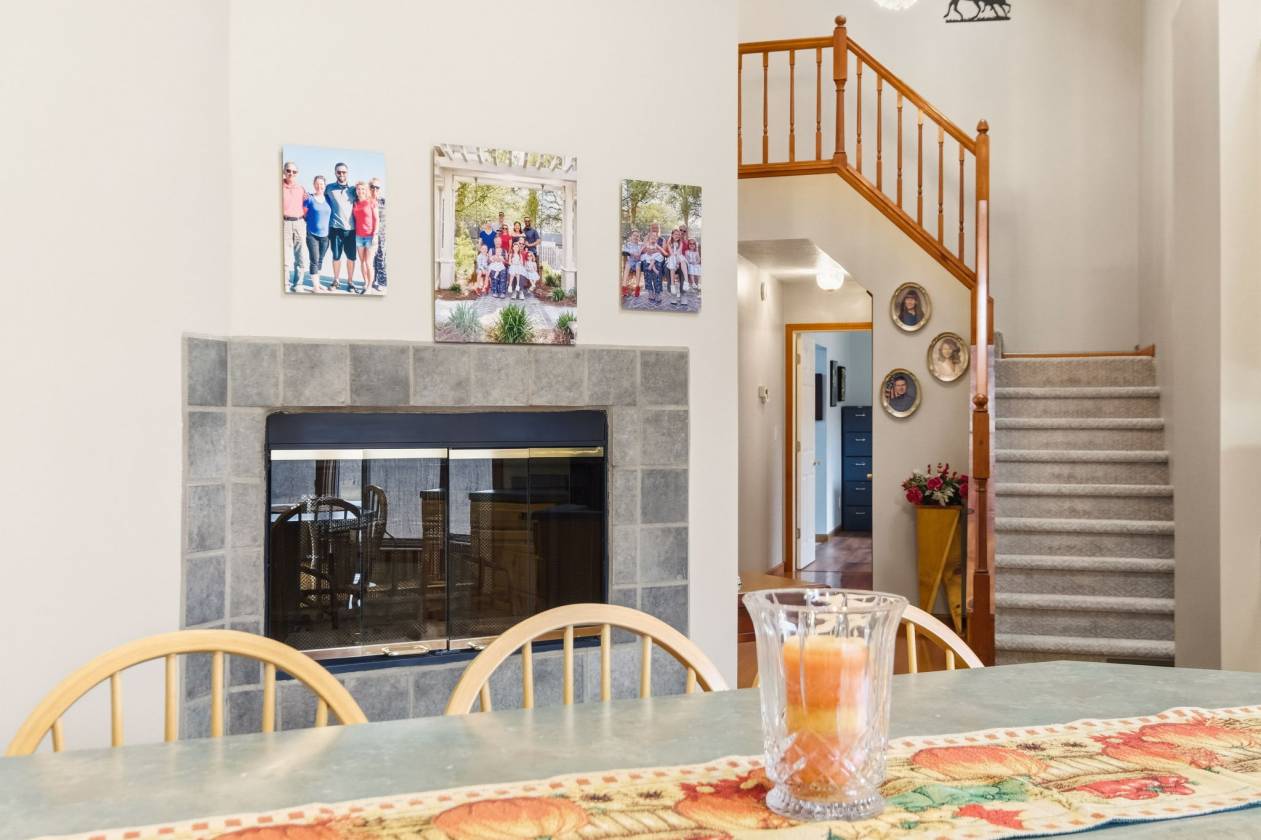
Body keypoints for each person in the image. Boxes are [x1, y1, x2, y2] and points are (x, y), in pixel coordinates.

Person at [326, 162, 357, 292]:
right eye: (339, 172)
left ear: (347, 173)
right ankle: (336, 280)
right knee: (336, 256)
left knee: (351, 257)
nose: (341, 174)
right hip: (335, 229)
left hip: (351, 230)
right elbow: (319, 197)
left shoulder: (353, 190)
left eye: (344, 172)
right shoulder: (329, 188)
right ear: (335, 173)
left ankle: (350, 282)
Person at [281, 161, 309, 292]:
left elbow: (307, 205)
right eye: (288, 170)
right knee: (284, 257)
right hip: (285, 223)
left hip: (299, 223)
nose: (291, 173)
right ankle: (285, 284)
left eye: (294, 171)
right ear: (284, 171)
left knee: (301, 256)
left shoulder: (301, 189)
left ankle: (298, 284)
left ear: (297, 174)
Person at [303, 175, 332, 293]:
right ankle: (315, 287)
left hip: (325, 236)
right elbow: (304, 214)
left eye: (321, 184)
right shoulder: (309, 199)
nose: (319, 186)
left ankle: (318, 283)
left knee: (320, 259)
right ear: (314, 185)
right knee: (314, 260)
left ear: (325, 185)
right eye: (317, 184)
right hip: (312, 234)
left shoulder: (328, 199)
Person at [352, 181, 378, 295]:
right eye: (358, 189)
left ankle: (369, 287)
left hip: (370, 237)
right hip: (359, 236)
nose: (360, 191)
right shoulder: (355, 203)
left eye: (363, 189)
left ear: (366, 190)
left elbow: (377, 219)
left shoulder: (371, 202)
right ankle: (365, 282)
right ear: (356, 190)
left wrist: (375, 234)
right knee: (362, 262)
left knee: (368, 262)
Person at [369, 178, 387, 292]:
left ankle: (381, 282)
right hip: (369, 235)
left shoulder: (384, 201)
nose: (375, 189)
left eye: (377, 187)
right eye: (372, 187)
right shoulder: (366, 201)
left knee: (381, 258)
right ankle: (371, 280)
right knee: (371, 259)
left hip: (382, 235)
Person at [622, 230, 643, 298]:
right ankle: (624, 287)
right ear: (630, 237)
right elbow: (623, 250)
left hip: (638, 261)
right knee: (627, 266)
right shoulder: (627, 244)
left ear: (639, 238)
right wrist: (632, 253)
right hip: (630, 261)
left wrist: (639, 254)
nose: (635, 237)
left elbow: (645, 248)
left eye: (637, 236)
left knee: (638, 266)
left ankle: (637, 287)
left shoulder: (640, 244)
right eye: (634, 235)